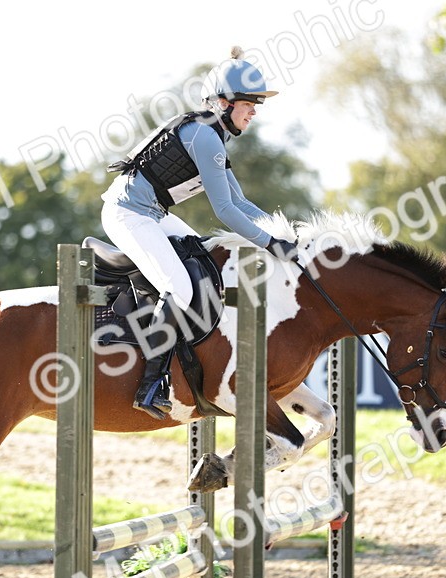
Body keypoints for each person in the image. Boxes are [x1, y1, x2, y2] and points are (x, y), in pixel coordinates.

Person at [102, 46, 299, 419]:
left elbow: (240, 203)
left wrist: (285, 232)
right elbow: (224, 211)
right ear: (224, 102)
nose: (254, 111)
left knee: (205, 257)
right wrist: (272, 245)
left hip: (154, 213)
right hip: (127, 214)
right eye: (249, 104)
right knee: (181, 286)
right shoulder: (206, 137)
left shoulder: (213, 136)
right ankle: (151, 384)